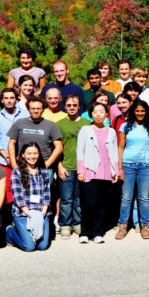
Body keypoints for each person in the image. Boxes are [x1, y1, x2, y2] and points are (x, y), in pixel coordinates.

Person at [76, 102, 120, 243]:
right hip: (89, 170)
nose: (98, 114)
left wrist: (116, 171)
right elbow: (80, 151)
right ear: (91, 115)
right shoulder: (85, 129)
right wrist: (80, 170)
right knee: (89, 203)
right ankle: (85, 232)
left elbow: (114, 152)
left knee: (102, 204)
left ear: (106, 114)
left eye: (101, 111)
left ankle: (97, 232)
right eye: (95, 112)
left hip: (106, 172)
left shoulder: (111, 131)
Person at [115, 100, 149, 240]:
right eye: (137, 111)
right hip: (128, 165)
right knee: (126, 197)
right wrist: (120, 167)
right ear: (133, 112)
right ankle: (123, 225)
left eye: (142, 111)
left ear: (146, 112)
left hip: (145, 165)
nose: (140, 113)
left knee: (144, 198)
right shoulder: (125, 127)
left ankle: (145, 225)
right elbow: (120, 147)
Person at [5, 143, 52, 252]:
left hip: (41, 212)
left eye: (35, 153)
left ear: (39, 154)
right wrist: (29, 214)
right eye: (29, 153)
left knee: (42, 246)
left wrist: (43, 212)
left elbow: (47, 193)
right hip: (23, 213)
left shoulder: (43, 171)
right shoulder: (17, 172)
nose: (32, 156)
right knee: (29, 247)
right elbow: (17, 196)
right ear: (23, 155)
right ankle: (10, 231)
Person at [56, 95, 90, 239]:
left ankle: (78, 223)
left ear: (79, 106)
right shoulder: (59, 124)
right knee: (66, 198)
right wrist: (59, 166)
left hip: (83, 167)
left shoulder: (87, 124)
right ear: (65, 106)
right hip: (67, 166)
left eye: (74, 105)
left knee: (79, 198)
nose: (71, 107)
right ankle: (65, 224)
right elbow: (56, 147)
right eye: (69, 105)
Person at [7, 97, 63, 169]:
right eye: (33, 108)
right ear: (28, 109)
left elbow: (59, 147)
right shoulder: (19, 123)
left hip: (44, 167)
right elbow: (11, 143)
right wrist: (14, 164)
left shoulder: (51, 125)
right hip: (23, 166)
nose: (36, 111)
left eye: (38, 108)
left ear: (43, 110)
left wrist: (47, 164)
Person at [0, 88, 26, 167]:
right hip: (2, 159)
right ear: (2, 100)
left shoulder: (25, 115)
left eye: (12, 98)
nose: (9, 101)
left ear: (16, 99)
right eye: (6, 98)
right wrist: (5, 155)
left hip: (22, 159)